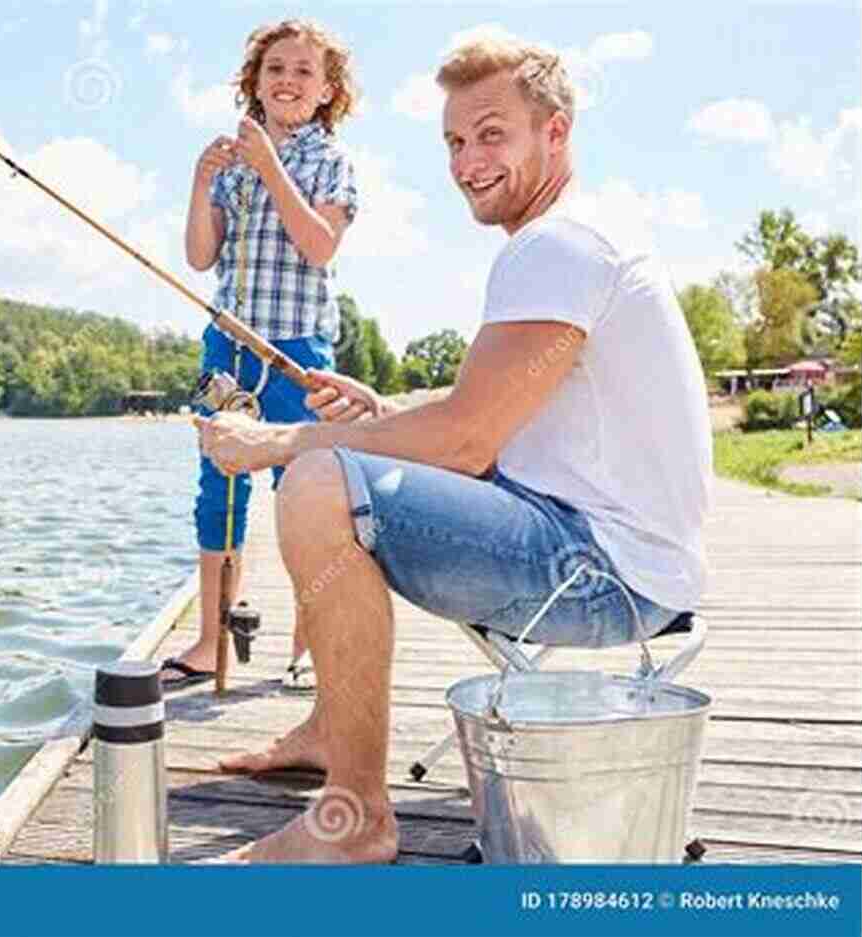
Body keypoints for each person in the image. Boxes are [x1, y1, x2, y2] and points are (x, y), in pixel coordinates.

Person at [193, 34, 713, 862]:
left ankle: (356, 815)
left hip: (598, 573)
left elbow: (468, 441)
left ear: (556, 131)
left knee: (317, 483)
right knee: (334, 467)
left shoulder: (560, 244)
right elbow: (490, 414)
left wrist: (277, 442)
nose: (469, 160)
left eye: (492, 134)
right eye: (455, 141)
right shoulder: (566, 235)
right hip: (608, 550)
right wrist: (385, 411)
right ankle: (333, 728)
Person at [161, 19, 361, 691]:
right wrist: (200, 181)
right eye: (276, 68)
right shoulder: (232, 158)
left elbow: (320, 245)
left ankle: (309, 644)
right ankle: (210, 639)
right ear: (255, 80)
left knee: (304, 493)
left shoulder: (329, 159)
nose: (288, 80)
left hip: (297, 350)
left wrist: (270, 166)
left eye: (305, 71)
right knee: (217, 487)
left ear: (328, 90)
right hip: (226, 344)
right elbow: (199, 255)